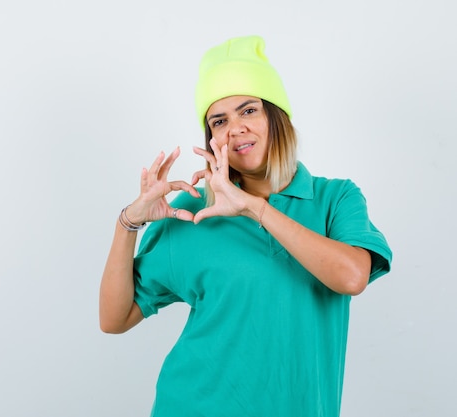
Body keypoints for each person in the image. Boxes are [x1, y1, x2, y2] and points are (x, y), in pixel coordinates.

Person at [99, 35, 392, 417]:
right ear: (211, 139)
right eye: (219, 121)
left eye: (248, 110)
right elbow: (114, 319)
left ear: (276, 117)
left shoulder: (334, 199)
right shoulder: (193, 209)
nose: (234, 128)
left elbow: (352, 277)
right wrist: (128, 223)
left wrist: (254, 208)